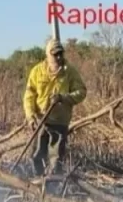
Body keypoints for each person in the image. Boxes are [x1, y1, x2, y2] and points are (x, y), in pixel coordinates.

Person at [23, 39, 87, 177]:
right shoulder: (37, 71)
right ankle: (36, 183)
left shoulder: (70, 71)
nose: (58, 57)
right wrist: (30, 116)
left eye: (60, 54)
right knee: (36, 156)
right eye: (55, 54)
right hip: (41, 122)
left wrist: (64, 98)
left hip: (60, 122)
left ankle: (54, 186)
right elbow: (29, 95)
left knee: (56, 160)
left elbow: (81, 92)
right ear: (48, 54)